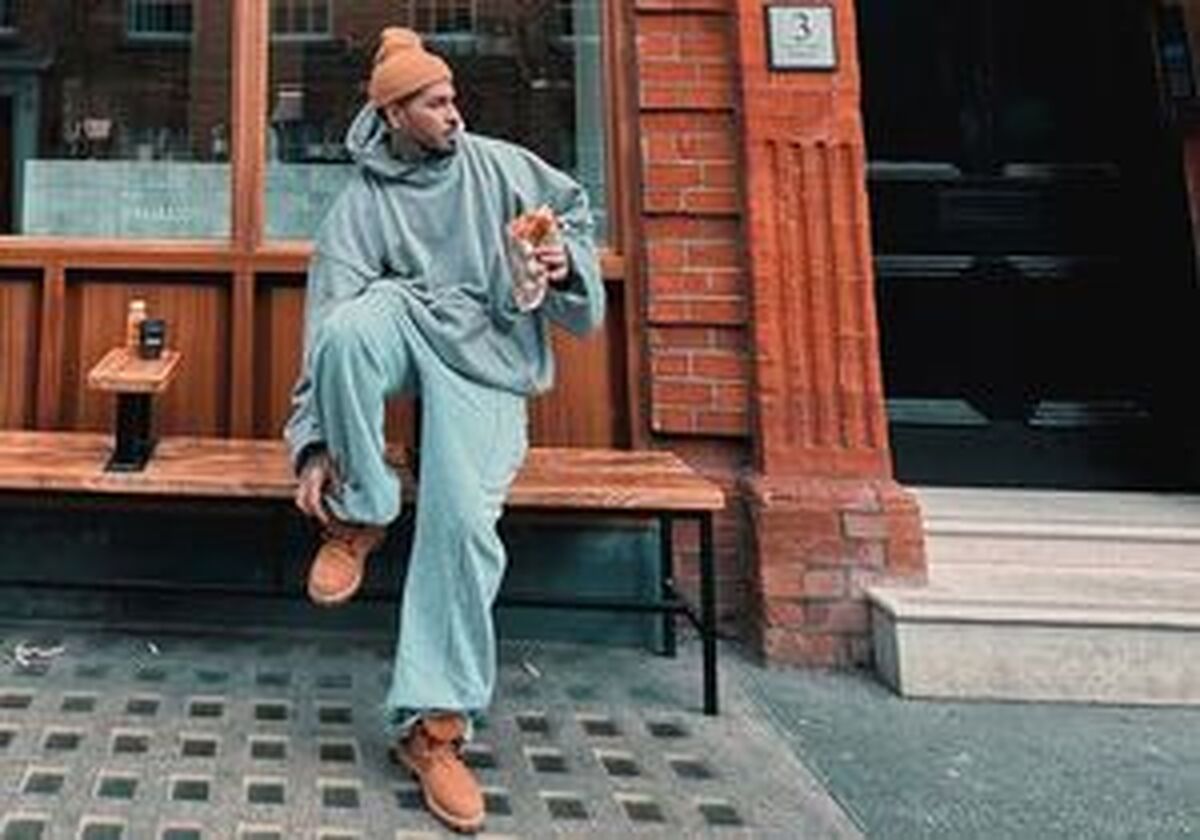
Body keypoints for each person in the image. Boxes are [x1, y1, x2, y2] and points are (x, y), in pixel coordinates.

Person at [283, 26, 605, 834]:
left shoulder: (499, 166)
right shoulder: (363, 204)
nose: (454, 112)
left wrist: (565, 261)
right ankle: (362, 509)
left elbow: (571, 212)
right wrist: (316, 443)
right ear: (394, 114)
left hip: (487, 357)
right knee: (349, 330)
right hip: (410, 324)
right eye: (434, 102)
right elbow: (326, 324)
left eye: (453, 97)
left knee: (461, 524)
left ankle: (433, 729)